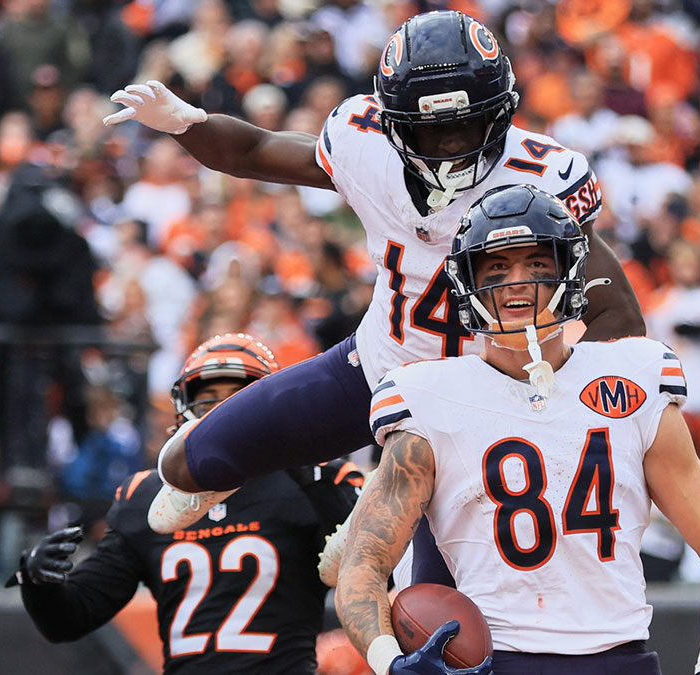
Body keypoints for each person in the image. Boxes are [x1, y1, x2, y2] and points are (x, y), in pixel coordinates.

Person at [101, 10, 645, 543]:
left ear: (501, 111)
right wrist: (187, 123)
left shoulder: (545, 177)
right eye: (431, 131)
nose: (452, 143)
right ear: (391, 123)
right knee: (186, 463)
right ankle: (363, 522)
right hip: (378, 364)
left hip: (482, 402)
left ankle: (372, 531)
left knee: (425, 594)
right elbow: (257, 150)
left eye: (464, 123)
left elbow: (614, 311)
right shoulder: (365, 144)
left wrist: (555, 407)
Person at [335, 186, 700, 675]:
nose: (517, 285)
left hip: (619, 657)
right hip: (495, 660)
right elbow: (363, 563)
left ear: (571, 275)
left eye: (537, 266)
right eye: (496, 269)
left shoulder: (634, 374)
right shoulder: (429, 394)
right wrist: (390, 664)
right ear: (466, 283)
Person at [8, 334, 365, 674]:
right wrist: (39, 582)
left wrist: (307, 470)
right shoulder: (147, 496)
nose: (223, 413)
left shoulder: (315, 479)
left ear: (267, 404)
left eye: (239, 397)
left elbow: (375, 570)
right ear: (183, 406)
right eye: (208, 397)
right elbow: (71, 619)